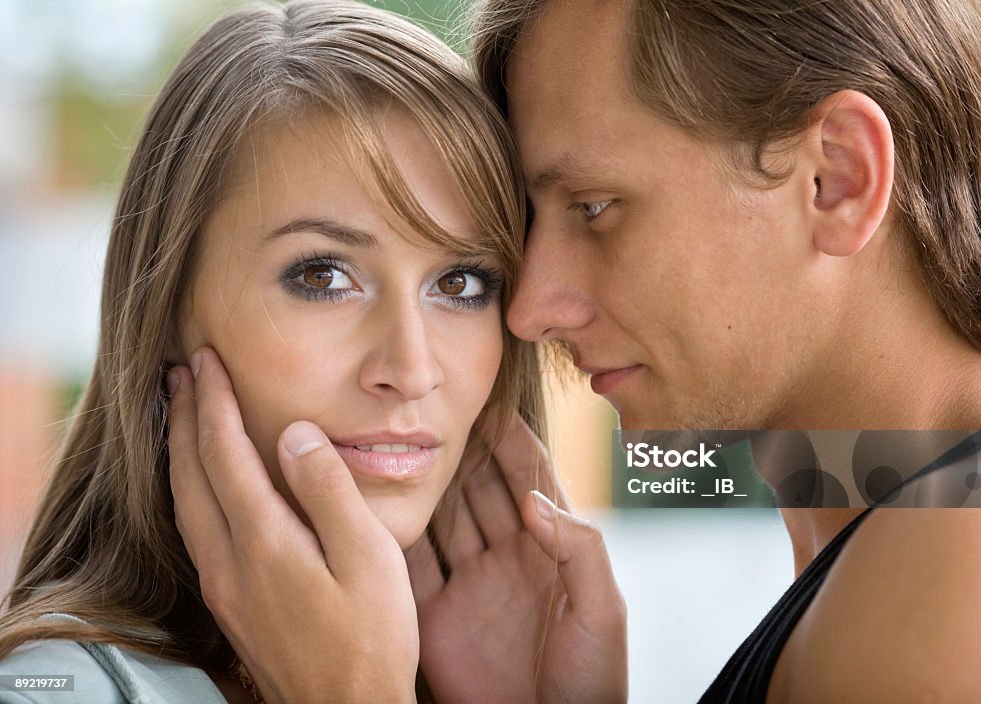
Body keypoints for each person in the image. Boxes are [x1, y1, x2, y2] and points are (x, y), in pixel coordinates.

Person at [169, 0, 981, 701]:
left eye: (595, 208)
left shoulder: (977, 560)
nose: (529, 308)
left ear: (835, 178)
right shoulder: (889, 528)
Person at [0, 0, 568, 701]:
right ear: (169, 306)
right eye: (323, 276)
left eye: (461, 283)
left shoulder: (499, 672)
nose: (413, 370)